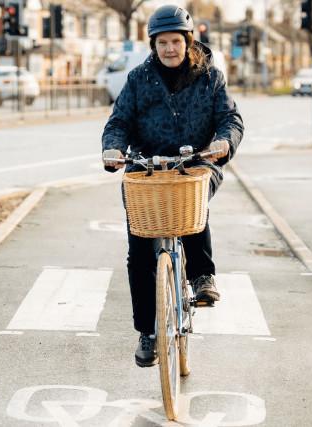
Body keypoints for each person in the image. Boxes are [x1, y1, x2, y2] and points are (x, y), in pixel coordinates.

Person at [101, 5, 243, 367]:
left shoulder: (210, 77)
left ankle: (202, 276)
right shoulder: (138, 79)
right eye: (162, 42)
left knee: (191, 203)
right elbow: (119, 121)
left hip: (196, 161)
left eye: (175, 41)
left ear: (187, 41)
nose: (169, 49)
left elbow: (230, 117)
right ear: (153, 44)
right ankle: (147, 332)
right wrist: (113, 147)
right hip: (147, 167)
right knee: (139, 253)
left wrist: (224, 142)